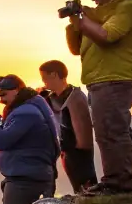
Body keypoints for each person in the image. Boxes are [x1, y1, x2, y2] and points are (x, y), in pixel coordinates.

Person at [65, 0, 132, 195]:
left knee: (109, 131)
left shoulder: (129, 6)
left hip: (115, 77)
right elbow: (75, 48)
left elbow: (107, 35)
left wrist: (83, 20)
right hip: (99, 79)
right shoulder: (97, 13)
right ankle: (124, 177)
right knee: (112, 130)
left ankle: (118, 182)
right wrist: (75, 23)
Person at [0, 75, 59, 204]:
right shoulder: (26, 108)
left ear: (17, 90)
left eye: (4, 93)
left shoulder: (26, 112)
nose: (1, 98)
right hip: (29, 175)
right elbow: (7, 130)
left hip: (25, 180)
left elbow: (3, 141)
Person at [38, 60, 96, 194]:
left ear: (54, 75)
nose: (43, 82)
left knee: (86, 184)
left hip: (78, 151)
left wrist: (81, 149)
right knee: (77, 186)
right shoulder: (51, 98)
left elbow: (83, 128)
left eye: (45, 78)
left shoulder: (75, 96)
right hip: (65, 149)